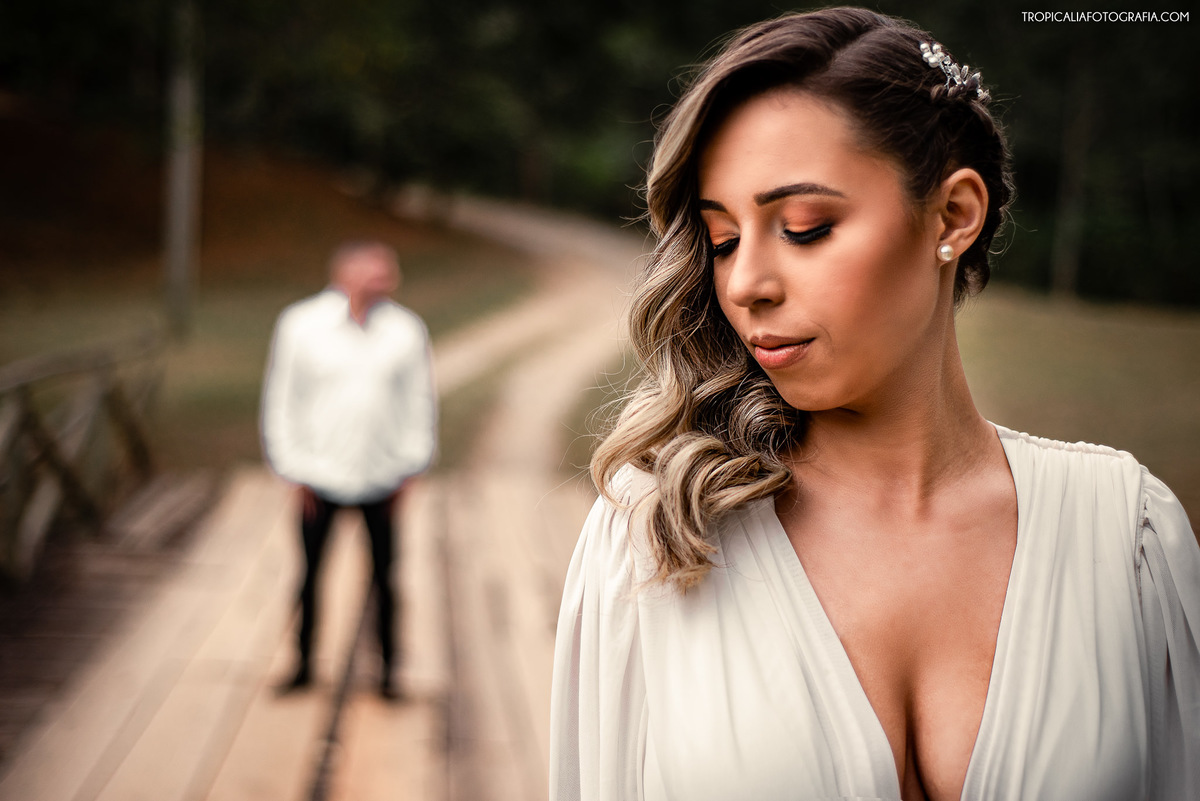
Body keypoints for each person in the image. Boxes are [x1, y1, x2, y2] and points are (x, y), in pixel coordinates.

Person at [549, 8, 1198, 800]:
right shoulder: (656, 534)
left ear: (954, 214)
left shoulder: (1126, 537)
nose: (747, 282)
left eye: (805, 227)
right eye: (722, 241)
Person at [261, 240, 436, 700]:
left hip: (382, 475)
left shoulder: (406, 330)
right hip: (318, 476)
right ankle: (301, 664)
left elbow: (419, 403)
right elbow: (282, 400)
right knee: (309, 573)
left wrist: (411, 468)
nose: (385, 283)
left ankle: (389, 671)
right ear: (346, 275)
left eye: (388, 275)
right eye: (375, 274)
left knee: (386, 576)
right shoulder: (300, 324)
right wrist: (291, 469)